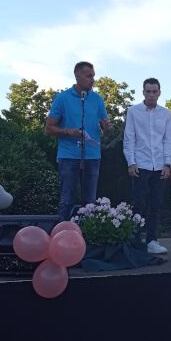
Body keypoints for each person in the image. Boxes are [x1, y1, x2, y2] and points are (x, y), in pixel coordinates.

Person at [46, 61, 113, 221]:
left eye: (93, 76)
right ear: (77, 76)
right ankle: (62, 233)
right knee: (66, 200)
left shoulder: (97, 99)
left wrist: (107, 127)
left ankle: (87, 234)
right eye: (89, 76)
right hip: (69, 156)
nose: (93, 80)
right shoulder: (62, 98)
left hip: (92, 156)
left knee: (90, 202)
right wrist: (66, 131)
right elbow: (49, 128)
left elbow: (107, 129)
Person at [123, 78, 171, 255]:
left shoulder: (165, 114)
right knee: (138, 204)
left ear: (159, 93)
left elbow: (168, 141)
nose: (151, 95)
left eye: (154, 92)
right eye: (148, 91)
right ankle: (135, 241)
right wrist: (131, 162)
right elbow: (129, 139)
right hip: (140, 164)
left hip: (159, 165)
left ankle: (152, 240)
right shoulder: (133, 111)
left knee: (156, 205)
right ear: (143, 92)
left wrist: (167, 164)